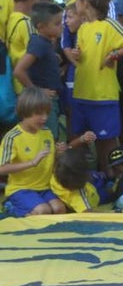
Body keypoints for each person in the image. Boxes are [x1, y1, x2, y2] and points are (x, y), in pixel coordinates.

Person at [68, 0, 123, 171]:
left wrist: (114, 55)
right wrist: (76, 54)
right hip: (81, 92)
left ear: (85, 2)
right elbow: (81, 54)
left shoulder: (109, 25)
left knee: (107, 140)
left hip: (103, 94)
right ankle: (93, 178)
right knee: (81, 139)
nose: (75, 3)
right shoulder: (83, 28)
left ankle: (117, 177)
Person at [0, 87, 66, 217]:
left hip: (44, 187)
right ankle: (10, 207)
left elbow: (51, 161)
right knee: (43, 211)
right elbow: (2, 169)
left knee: (59, 209)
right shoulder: (13, 137)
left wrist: (59, 153)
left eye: (47, 113)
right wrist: (32, 163)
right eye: (39, 114)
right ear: (25, 112)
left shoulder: (47, 132)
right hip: (21, 188)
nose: (44, 118)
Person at [13, 1, 64, 140]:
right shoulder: (39, 44)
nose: (62, 26)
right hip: (42, 101)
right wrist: (37, 91)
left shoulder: (45, 42)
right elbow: (19, 71)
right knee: (47, 136)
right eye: (57, 23)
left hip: (49, 97)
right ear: (41, 27)